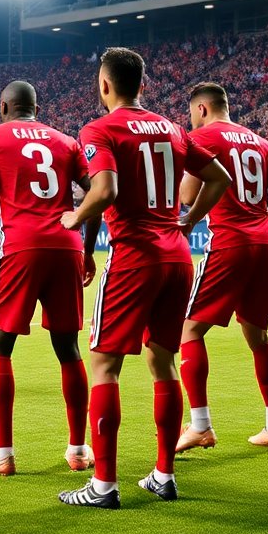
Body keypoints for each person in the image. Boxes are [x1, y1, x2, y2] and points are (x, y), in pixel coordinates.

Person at [58, 47, 231, 509]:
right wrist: (189, 219)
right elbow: (219, 178)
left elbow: (105, 190)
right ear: (143, 85)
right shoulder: (173, 129)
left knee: (104, 366)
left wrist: (76, 217)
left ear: (104, 85)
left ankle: (103, 486)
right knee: (163, 362)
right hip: (177, 257)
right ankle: (163, 475)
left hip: (134, 256)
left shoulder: (99, 129)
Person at [0, 81, 97, 476]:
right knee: (68, 348)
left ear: (4, 107)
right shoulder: (66, 141)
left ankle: (2, 453)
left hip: (22, 247)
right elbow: (96, 193)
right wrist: (88, 250)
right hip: (67, 247)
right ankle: (78, 450)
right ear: (36, 108)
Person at [175, 82, 268, 455]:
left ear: (201, 109)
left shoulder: (204, 138)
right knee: (258, 336)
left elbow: (186, 195)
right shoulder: (259, 142)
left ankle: (200, 425)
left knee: (189, 330)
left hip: (229, 243)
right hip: (263, 245)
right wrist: (259, 227)